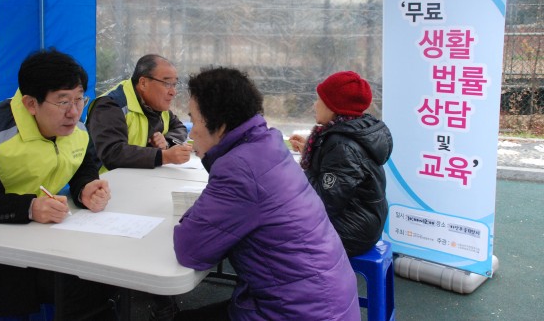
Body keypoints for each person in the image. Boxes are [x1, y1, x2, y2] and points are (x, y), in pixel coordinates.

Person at [173, 67, 360, 321]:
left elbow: (190, 248)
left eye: (194, 120)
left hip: (300, 312)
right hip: (323, 303)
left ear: (221, 125)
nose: (192, 132)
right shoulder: (266, 145)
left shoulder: (239, 169)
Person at [0, 49, 117, 320]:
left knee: (98, 283)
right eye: (62, 102)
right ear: (30, 103)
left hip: (43, 243)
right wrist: (28, 208)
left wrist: (86, 187)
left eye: (79, 99)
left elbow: (82, 163)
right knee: (76, 289)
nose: (74, 112)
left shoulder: (78, 131)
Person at [289, 71, 393, 257]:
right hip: (361, 221)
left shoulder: (342, 146)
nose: (315, 105)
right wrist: (309, 150)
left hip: (352, 232)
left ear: (334, 107)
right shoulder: (351, 132)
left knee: (271, 232)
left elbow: (323, 201)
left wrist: (289, 171)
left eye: (320, 99)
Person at [86, 54, 192, 172]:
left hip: (138, 179)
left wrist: (166, 142)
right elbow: (113, 153)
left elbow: (179, 127)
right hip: (103, 185)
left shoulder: (156, 104)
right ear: (143, 83)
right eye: (167, 84)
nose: (173, 92)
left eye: (174, 84)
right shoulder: (110, 106)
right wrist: (163, 156)